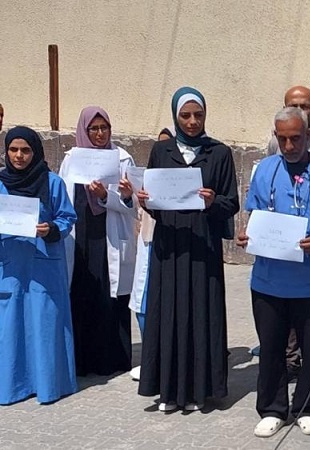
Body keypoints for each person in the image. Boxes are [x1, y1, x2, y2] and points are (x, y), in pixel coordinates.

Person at [238, 106, 310, 438]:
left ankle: (308, 407)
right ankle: (272, 408)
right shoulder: (264, 170)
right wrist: (248, 237)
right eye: (282, 139)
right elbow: (254, 215)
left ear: (309, 135)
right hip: (269, 281)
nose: (288, 146)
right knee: (271, 348)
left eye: (295, 138)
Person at [136, 87, 240, 412]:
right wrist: (145, 201)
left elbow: (231, 203)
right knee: (168, 313)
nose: (193, 121)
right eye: (185, 115)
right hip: (169, 247)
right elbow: (156, 203)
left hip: (202, 247)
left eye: (198, 115)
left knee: (200, 313)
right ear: (175, 116)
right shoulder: (161, 151)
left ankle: (200, 391)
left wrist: (212, 202)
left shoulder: (219, 153)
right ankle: (168, 391)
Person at [0, 127, 78, 405]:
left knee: (45, 323)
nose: (19, 156)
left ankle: (48, 384)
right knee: (11, 324)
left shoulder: (52, 182)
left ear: (36, 152)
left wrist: (52, 229)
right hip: (10, 265)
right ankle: (12, 385)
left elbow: (67, 217)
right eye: (13, 150)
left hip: (44, 265)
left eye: (26, 150)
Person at [59, 106, 137, 377]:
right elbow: (63, 197)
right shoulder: (72, 159)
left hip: (109, 236)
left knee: (109, 294)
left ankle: (110, 360)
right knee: (81, 292)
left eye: (104, 128)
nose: (100, 133)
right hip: (80, 235)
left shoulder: (122, 159)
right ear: (84, 130)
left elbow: (133, 205)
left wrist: (108, 196)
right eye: (94, 128)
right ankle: (81, 361)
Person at [129, 127, 174, 381]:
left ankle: (165, 362)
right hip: (147, 241)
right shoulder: (150, 175)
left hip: (170, 245)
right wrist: (133, 196)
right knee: (142, 303)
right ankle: (150, 358)